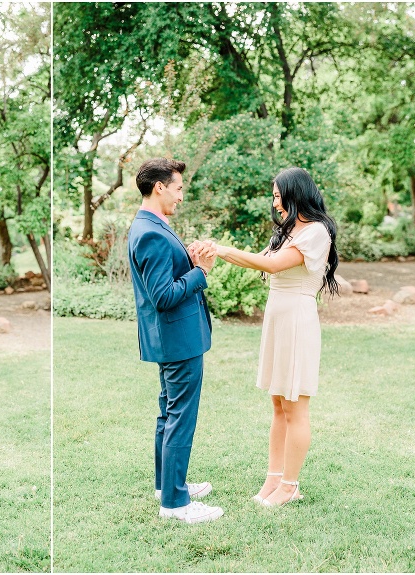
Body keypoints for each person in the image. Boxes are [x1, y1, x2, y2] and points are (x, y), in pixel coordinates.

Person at [211, 166, 339, 507]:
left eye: (278, 195)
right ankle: (274, 477)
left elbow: (270, 266)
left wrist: (220, 249)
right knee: (279, 405)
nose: (275, 202)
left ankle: (291, 485)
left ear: (295, 195)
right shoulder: (286, 233)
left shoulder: (316, 232)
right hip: (277, 318)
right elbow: (258, 260)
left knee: (296, 406)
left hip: (297, 319)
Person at [127, 157, 224, 524]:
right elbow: (163, 296)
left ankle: (167, 485)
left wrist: (190, 261)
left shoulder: (151, 224)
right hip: (177, 340)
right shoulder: (149, 231)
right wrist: (201, 272)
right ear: (160, 187)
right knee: (180, 417)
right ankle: (175, 504)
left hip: (171, 339)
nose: (182, 196)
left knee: (169, 413)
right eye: (180, 188)